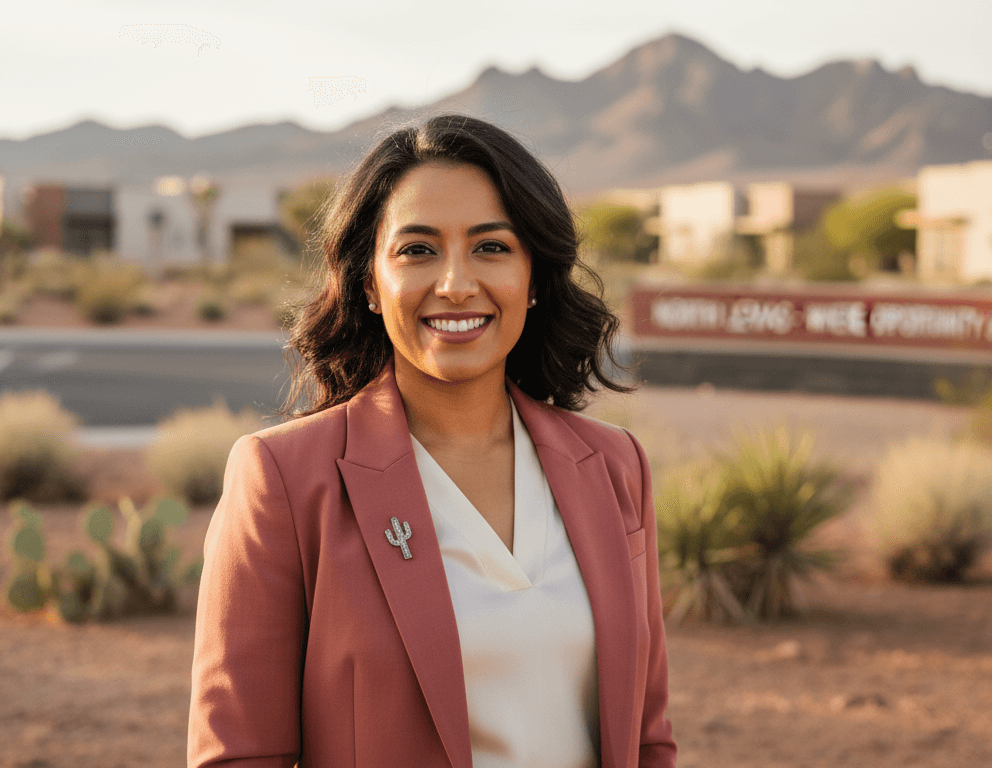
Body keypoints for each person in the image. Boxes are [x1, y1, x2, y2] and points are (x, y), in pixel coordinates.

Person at [188, 114, 677, 768]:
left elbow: (647, 739)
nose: (454, 283)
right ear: (369, 283)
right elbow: (239, 755)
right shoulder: (282, 479)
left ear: (533, 277)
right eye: (417, 250)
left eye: (491, 247)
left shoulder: (616, 467)